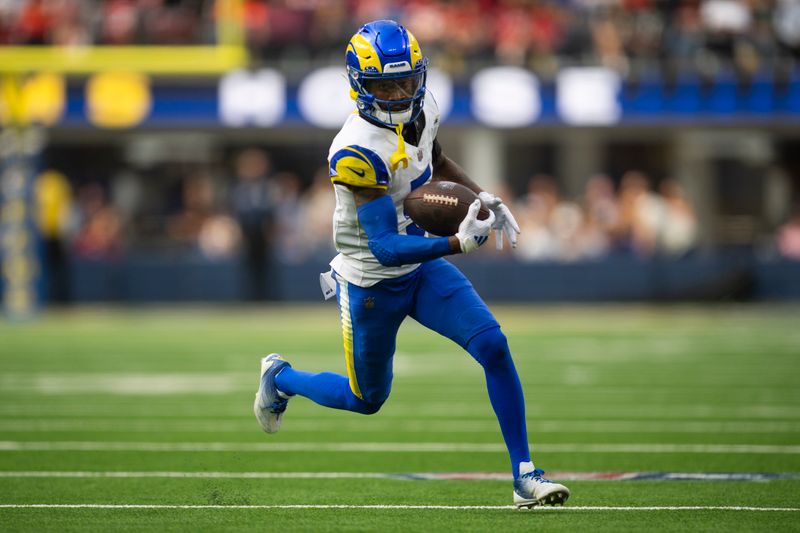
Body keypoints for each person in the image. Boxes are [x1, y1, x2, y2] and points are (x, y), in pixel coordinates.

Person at [253, 19, 569, 508]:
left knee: (494, 345)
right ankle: (281, 378)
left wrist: (481, 197)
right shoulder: (357, 149)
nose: (401, 93)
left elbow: (435, 160)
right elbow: (382, 246)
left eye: (406, 81)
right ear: (360, 86)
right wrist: (457, 245)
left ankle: (524, 474)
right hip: (372, 281)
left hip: (421, 266)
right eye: (387, 85)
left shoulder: (424, 108)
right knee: (367, 400)